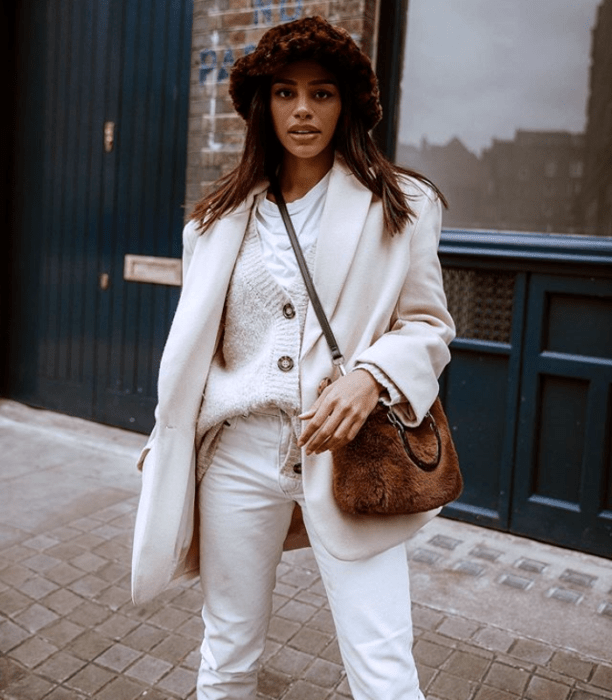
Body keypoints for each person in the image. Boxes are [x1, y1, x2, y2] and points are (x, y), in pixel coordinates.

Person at [131, 15, 455, 700]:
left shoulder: (401, 206)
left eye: (322, 93)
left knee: (385, 669)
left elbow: (428, 325)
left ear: (349, 106)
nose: (303, 110)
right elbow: (199, 348)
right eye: (285, 92)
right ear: (262, 104)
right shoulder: (216, 220)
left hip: (352, 455)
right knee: (227, 655)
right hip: (238, 457)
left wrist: (373, 376)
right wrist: (170, 436)